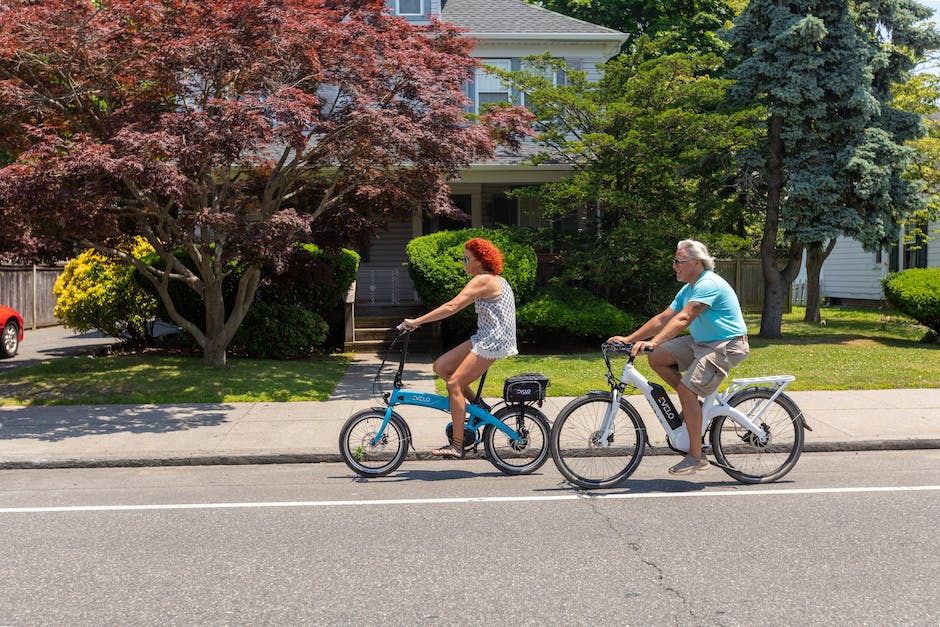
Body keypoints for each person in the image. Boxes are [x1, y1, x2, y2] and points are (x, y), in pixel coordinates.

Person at [609, 239, 749, 475]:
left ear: (695, 262)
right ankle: (693, 401)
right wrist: (629, 339)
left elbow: (684, 319)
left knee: (686, 390)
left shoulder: (708, 284)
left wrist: (652, 342)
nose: (674, 266)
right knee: (657, 357)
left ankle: (696, 456)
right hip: (701, 343)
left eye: (678, 261)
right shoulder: (689, 288)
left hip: (727, 345)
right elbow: (664, 318)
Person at [400, 237, 518, 459]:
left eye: (466, 259)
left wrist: (417, 321)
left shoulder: (483, 279)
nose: (463, 263)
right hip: (485, 336)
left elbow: (452, 306)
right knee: (442, 367)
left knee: (454, 383)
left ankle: (457, 445)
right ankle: (478, 406)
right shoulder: (490, 279)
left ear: (479, 260)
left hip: (494, 339)